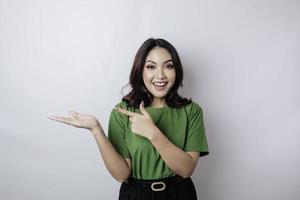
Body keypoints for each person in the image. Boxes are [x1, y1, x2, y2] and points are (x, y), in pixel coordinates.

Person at [48, 38, 209, 200]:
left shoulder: (191, 111)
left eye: (168, 66)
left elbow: (186, 170)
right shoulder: (122, 111)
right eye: (151, 67)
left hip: (179, 194)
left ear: (177, 70)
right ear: (140, 71)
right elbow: (122, 175)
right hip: (135, 195)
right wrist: (97, 130)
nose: (160, 75)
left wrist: (153, 134)